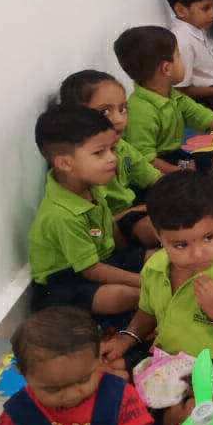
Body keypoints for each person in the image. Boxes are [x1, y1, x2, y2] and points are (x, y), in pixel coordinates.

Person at [100, 171, 213, 425]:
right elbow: (148, 312)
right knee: (107, 373)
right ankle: (165, 413)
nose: (197, 253)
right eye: (180, 245)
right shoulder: (155, 267)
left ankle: (172, 414)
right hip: (169, 358)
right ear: (158, 235)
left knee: (203, 415)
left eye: (208, 237)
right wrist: (127, 338)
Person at [0, 306, 154, 425]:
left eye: (84, 380)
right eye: (53, 389)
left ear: (98, 358)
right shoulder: (19, 410)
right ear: (23, 374)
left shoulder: (119, 393)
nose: (71, 395)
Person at [29, 106, 144, 315]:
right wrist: (142, 281)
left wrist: (131, 258)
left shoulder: (90, 185)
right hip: (66, 282)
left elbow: (110, 225)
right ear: (65, 163)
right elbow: (91, 271)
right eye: (99, 153)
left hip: (102, 259)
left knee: (157, 260)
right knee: (126, 295)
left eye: (112, 149)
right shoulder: (62, 215)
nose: (112, 158)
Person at [114, 26, 213, 174]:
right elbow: (144, 161)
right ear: (167, 69)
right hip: (155, 171)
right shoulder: (140, 111)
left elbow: (211, 119)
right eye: (179, 55)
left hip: (178, 157)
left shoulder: (173, 95)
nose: (184, 61)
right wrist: (182, 174)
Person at [58, 70, 162, 248]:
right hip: (109, 226)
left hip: (133, 206)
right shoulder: (79, 167)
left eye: (123, 109)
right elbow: (92, 229)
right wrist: (133, 212)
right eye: (105, 111)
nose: (119, 119)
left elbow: (154, 178)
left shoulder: (122, 146)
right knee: (159, 229)